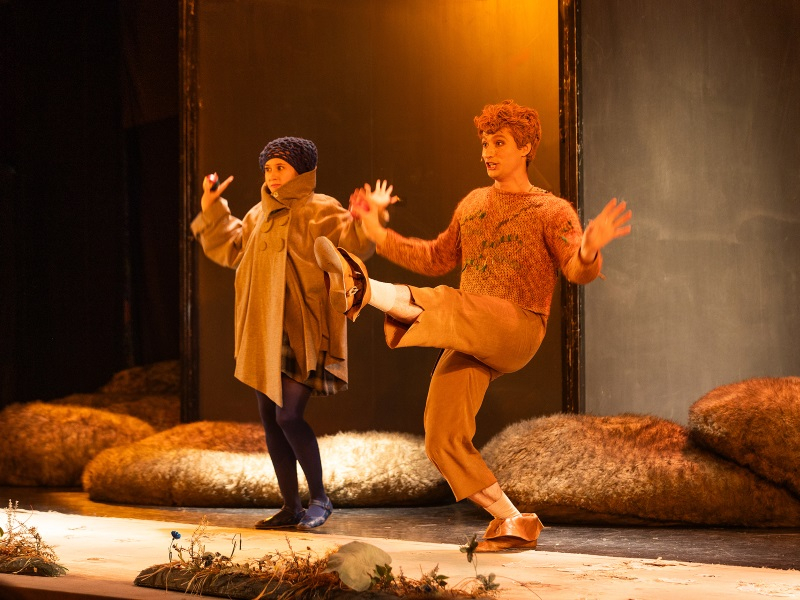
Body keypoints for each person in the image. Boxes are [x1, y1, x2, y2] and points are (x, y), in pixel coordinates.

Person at [314, 100, 632, 551]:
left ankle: (364, 288)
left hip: (517, 326)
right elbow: (434, 258)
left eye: (499, 142)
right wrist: (375, 230)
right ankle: (513, 520)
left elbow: (576, 270)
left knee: (453, 304)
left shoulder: (552, 210)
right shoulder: (473, 204)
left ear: (526, 147)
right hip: (468, 327)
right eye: (484, 143)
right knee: (441, 436)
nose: (487, 151)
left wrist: (589, 250)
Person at [191, 136, 374, 531]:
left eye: (281, 167)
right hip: (262, 328)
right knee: (271, 421)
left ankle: (320, 498)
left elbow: (352, 245)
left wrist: (362, 219)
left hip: (302, 326)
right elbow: (232, 245)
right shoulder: (257, 215)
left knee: (289, 415)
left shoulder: (321, 209)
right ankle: (290, 506)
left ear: (301, 170)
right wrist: (212, 208)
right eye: (268, 168)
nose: (272, 175)